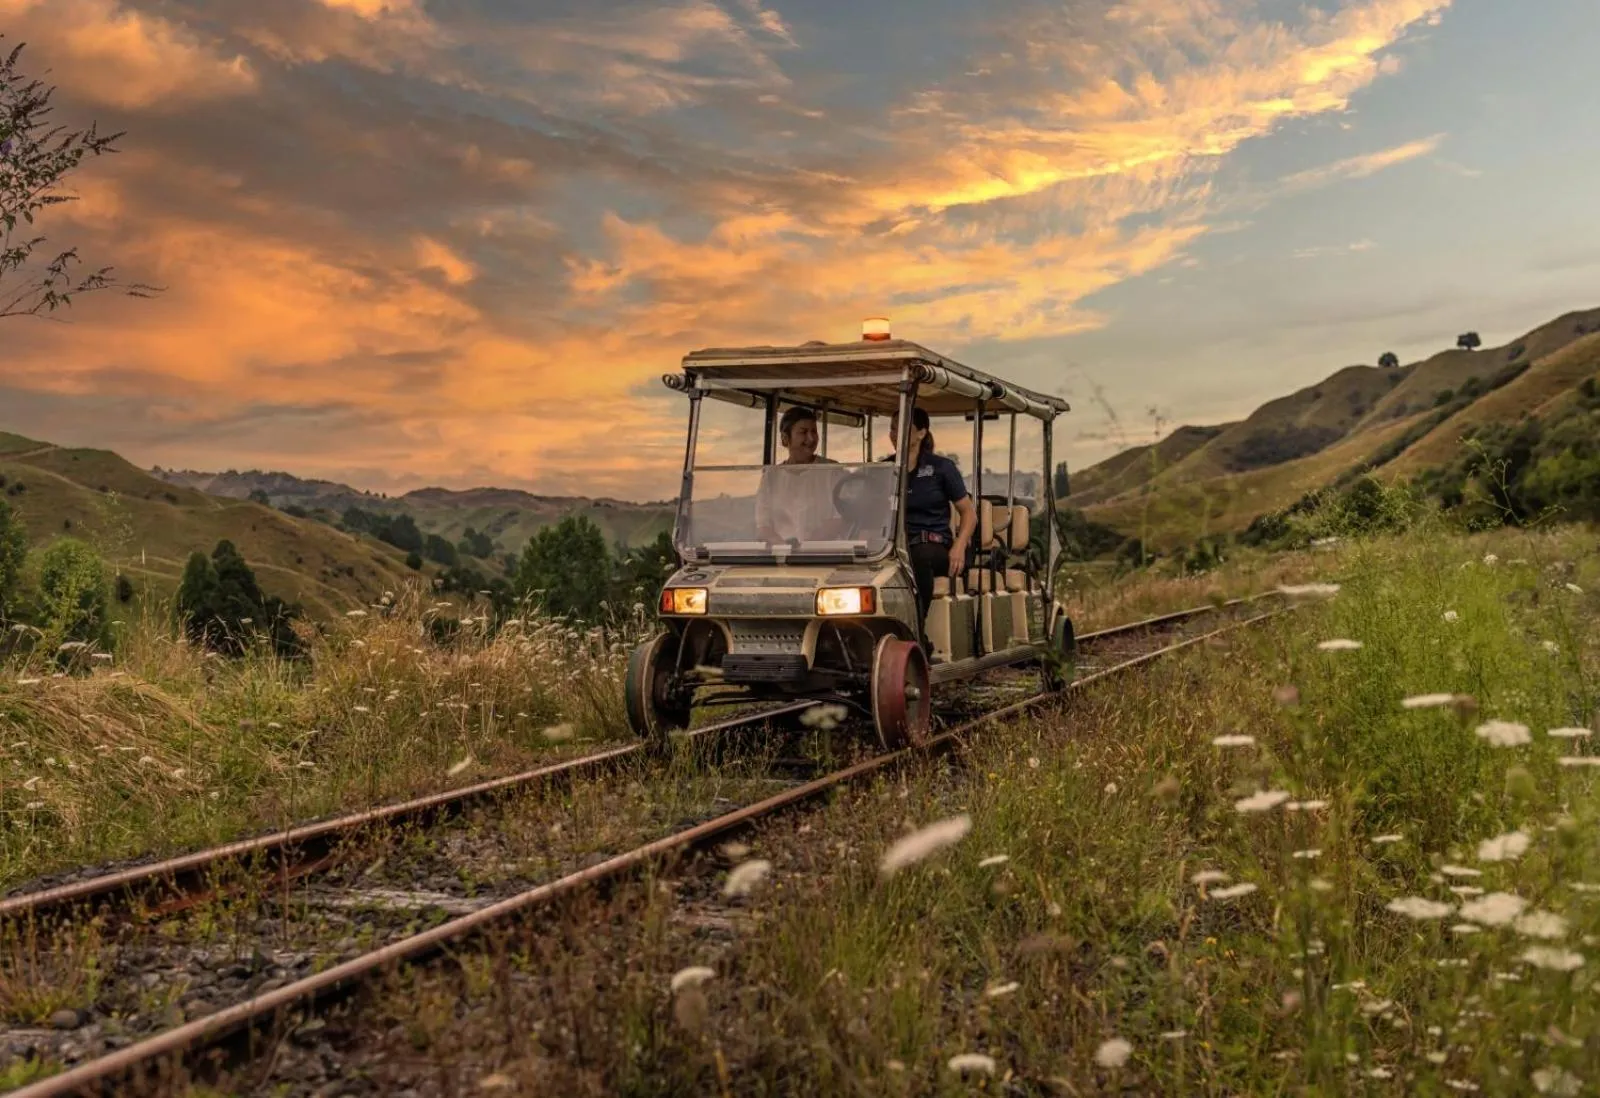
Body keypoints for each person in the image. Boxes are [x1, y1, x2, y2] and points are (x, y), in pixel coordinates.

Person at [886, 406, 976, 654]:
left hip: (937, 549)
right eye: (893, 428)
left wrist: (959, 545)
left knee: (919, 558)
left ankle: (915, 633)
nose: (895, 434)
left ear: (921, 433)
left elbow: (969, 513)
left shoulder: (941, 468)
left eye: (903, 428)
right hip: (894, 549)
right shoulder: (885, 469)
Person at [754, 405, 845, 544]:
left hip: (824, 554)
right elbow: (763, 526)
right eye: (803, 432)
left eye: (814, 431)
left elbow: (839, 518)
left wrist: (805, 548)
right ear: (785, 438)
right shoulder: (771, 476)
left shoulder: (832, 470)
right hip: (783, 556)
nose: (811, 438)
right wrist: (785, 550)